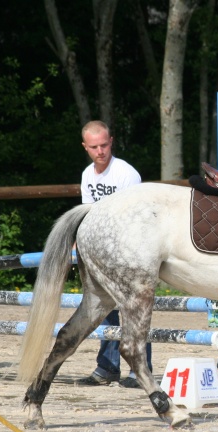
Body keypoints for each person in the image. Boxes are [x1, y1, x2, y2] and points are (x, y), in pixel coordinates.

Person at [77, 120, 152, 388]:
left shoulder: (126, 174)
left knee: (133, 308)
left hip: (129, 250)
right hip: (102, 252)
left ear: (112, 142)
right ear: (85, 147)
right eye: (94, 147)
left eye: (104, 145)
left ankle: (139, 370)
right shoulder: (88, 175)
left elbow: (132, 218)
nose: (100, 151)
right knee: (104, 307)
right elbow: (88, 214)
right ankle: (107, 367)